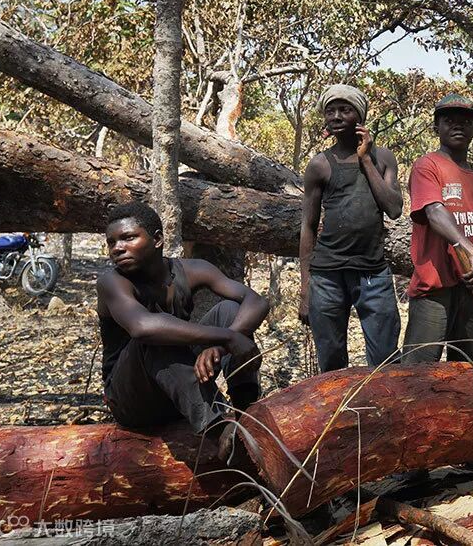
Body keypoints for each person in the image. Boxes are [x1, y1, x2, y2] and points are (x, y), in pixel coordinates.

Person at [95, 201, 268, 452]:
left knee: (230, 310)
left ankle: (246, 409)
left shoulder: (192, 269)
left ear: (157, 239)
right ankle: (218, 430)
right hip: (133, 400)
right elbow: (142, 327)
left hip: (176, 387)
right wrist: (228, 338)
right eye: (111, 242)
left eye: (128, 238)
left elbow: (255, 300)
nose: (117, 248)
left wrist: (221, 345)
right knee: (155, 335)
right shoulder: (112, 282)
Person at [298, 84, 403, 372]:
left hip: (372, 272)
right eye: (330, 111)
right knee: (331, 363)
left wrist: (365, 159)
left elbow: (394, 208)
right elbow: (308, 226)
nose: (336, 116)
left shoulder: (383, 158)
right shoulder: (320, 165)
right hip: (327, 275)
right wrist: (306, 287)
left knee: (385, 360)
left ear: (360, 116)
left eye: (345, 110)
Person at [402, 94, 473, 364]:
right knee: (418, 371)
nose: (458, 126)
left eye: (465, 121)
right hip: (434, 286)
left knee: (467, 370)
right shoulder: (427, 166)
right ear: (436, 127)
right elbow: (433, 211)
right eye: (449, 120)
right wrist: (465, 247)